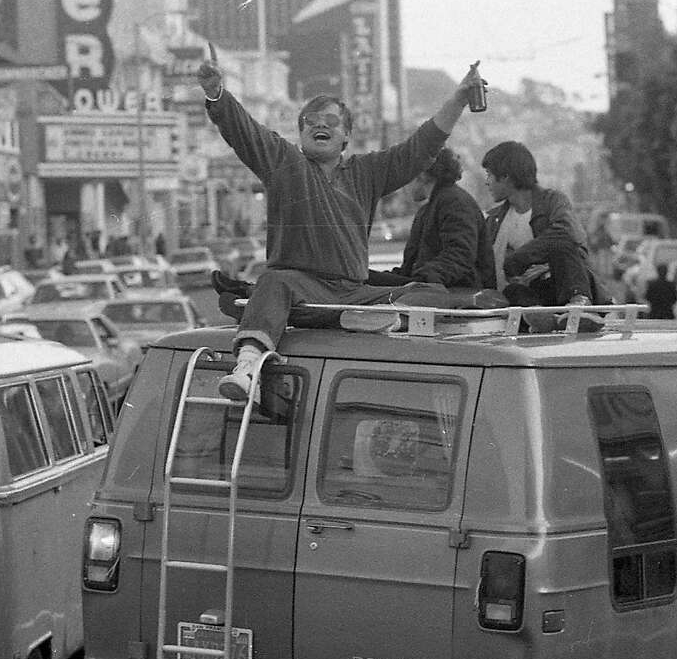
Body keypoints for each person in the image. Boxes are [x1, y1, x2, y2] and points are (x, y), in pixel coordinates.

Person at [198, 46, 483, 400]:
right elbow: (245, 131)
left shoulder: (368, 171)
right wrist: (216, 94)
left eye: (330, 121)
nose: (320, 125)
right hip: (300, 289)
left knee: (432, 293)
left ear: (346, 135)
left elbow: (421, 147)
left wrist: (458, 98)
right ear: (300, 133)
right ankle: (249, 366)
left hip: (353, 294)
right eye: (311, 122)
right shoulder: (283, 161)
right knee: (272, 282)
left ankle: (366, 315)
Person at [481, 141, 606, 315]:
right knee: (512, 292)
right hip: (531, 294)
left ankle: (579, 304)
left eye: (489, 175)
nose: (487, 182)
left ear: (505, 176)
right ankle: (539, 316)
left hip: (564, 284)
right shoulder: (494, 219)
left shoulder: (553, 201)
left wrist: (520, 260)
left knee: (561, 243)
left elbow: (570, 235)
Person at [365, 147, 494, 290]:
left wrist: (426, 278)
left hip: (457, 296)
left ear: (422, 175)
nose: (403, 186)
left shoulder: (454, 202)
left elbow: (460, 254)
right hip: (431, 290)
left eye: (407, 177)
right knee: (363, 278)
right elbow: (409, 269)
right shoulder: (428, 209)